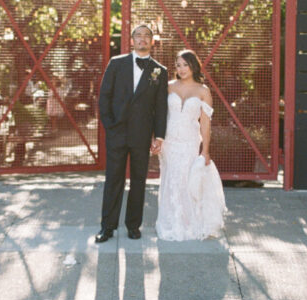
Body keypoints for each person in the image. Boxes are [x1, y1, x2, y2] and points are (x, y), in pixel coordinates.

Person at [95, 24, 168, 242]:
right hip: (117, 133)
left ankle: (133, 226)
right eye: (139, 35)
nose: (143, 39)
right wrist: (109, 124)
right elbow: (104, 96)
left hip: (141, 134)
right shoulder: (116, 64)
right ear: (132, 40)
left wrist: (159, 135)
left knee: (139, 180)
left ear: (152, 41)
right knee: (113, 179)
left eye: (147, 36)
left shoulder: (158, 71)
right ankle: (107, 227)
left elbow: (161, 106)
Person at [156, 49, 226, 241]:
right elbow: (159, 115)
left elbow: (205, 123)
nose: (181, 69)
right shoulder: (168, 86)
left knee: (188, 180)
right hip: (169, 141)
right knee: (171, 179)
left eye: (185, 64)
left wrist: (206, 151)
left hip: (189, 141)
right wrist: (157, 138)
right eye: (178, 65)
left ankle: (189, 222)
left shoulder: (203, 91)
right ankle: (171, 221)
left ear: (193, 65)